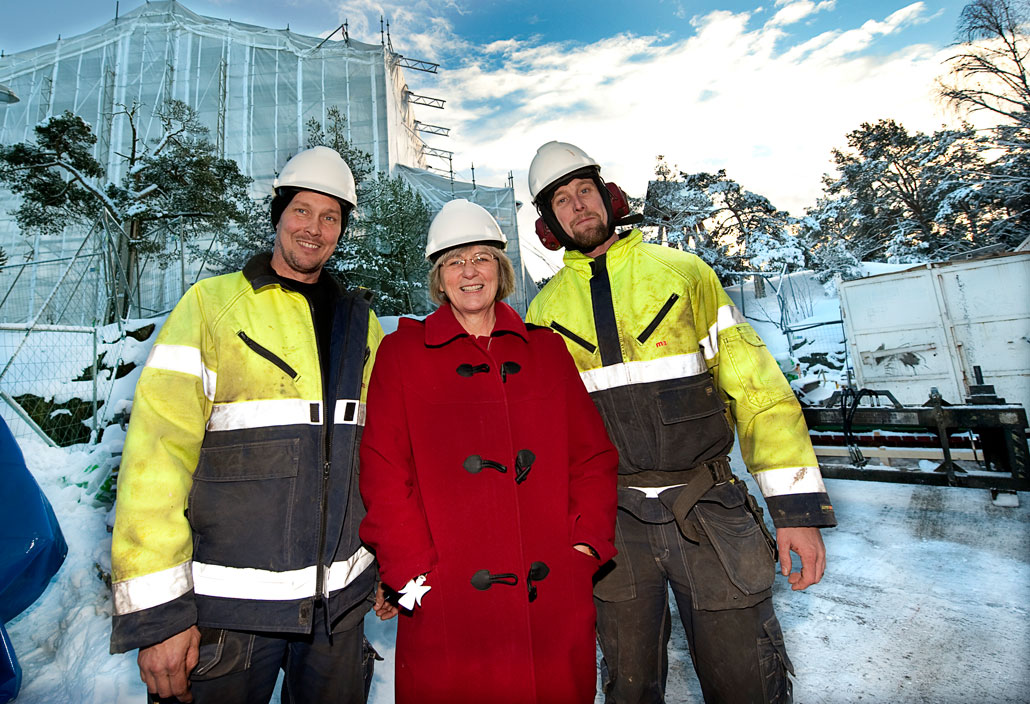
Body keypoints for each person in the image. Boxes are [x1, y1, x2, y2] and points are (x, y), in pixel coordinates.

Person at [525, 141, 838, 704]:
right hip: (614, 527)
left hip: (710, 513)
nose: (578, 207)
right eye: (561, 202)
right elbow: (545, 437)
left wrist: (795, 510)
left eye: (585, 191)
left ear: (608, 196)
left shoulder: (684, 273)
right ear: (549, 224)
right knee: (629, 687)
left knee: (747, 682)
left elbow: (758, 392)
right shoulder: (543, 314)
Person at [109, 146, 387, 704]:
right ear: (278, 216)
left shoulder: (363, 323)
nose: (314, 228)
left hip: (336, 614)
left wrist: (385, 559)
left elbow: (378, 455)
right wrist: (160, 615)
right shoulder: (213, 306)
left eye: (330, 216)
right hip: (229, 613)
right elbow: (156, 457)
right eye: (302, 211)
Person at [358, 199, 618, 703]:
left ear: (501, 270)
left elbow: (592, 457)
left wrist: (583, 549)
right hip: (443, 598)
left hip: (550, 595)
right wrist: (413, 581)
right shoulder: (402, 354)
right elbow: (385, 474)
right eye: (454, 261)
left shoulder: (545, 351)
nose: (469, 272)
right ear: (439, 278)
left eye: (481, 257)